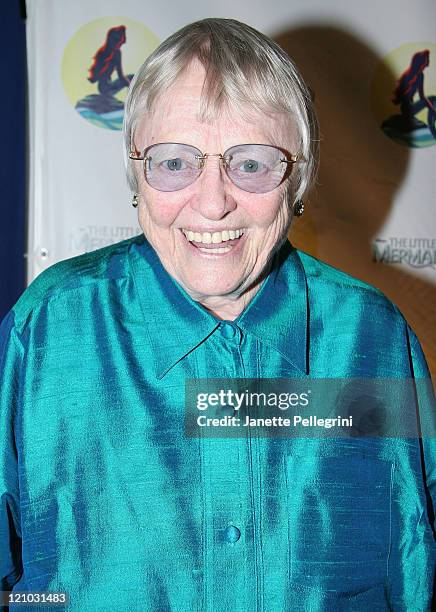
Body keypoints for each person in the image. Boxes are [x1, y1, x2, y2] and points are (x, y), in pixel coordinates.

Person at [1, 18, 435, 612]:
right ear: (136, 172)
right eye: (174, 162)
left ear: (298, 177)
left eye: (251, 163)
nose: (212, 202)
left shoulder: (372, 338)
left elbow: (415, 566)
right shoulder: (49, 329)